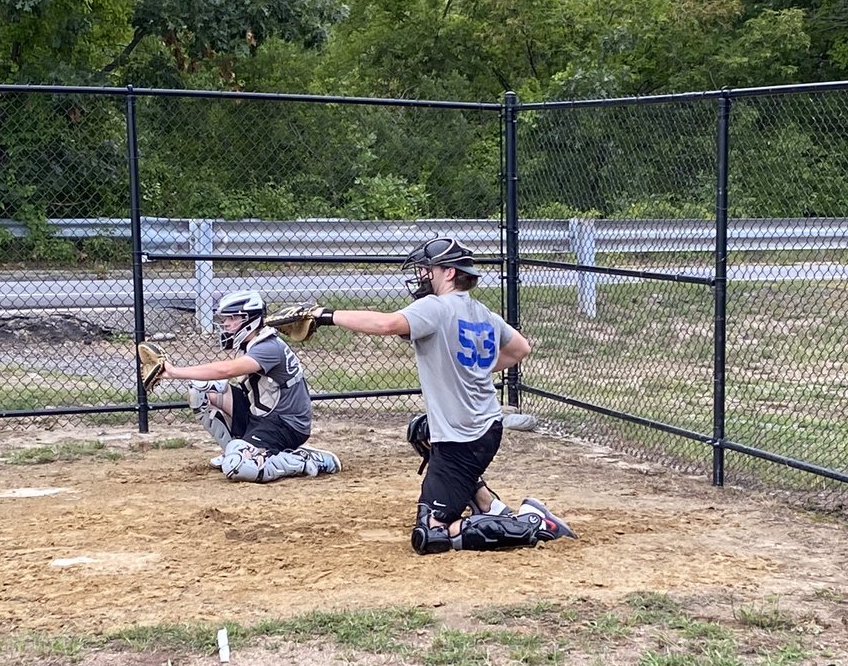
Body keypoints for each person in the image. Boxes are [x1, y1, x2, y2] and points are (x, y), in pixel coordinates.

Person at [310, 236, 577, 554]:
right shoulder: (482, 311)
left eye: (427, 269)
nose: (422, 275)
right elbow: (521, 348)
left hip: (464, 438)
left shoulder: (436, 306)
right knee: (422, 431)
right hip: (479, 428)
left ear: (448, 273)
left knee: (432, 535)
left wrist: (325, 315)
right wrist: (474, 371)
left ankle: (532, 523)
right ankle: (489, 507)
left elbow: (386, 324)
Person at [159, 289, 341, 482]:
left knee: (237, 468)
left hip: (285, 424)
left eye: (232, 318)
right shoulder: (251, 341)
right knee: (200, 389)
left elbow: (226, 371)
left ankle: (305, 459)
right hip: (261, 414)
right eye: (225, 319)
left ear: (249, 319)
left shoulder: (269, 347)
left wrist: (174, 372)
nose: (226, 324)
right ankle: (237, 449)